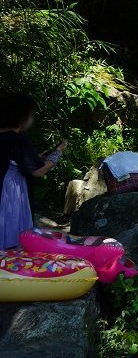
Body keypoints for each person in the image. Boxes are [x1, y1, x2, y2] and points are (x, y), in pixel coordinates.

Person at [0, 92, 65, 248]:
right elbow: (38, 171)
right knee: (12, 232)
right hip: (11, 192)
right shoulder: (18, 138)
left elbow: (14, 160)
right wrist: (57, 153)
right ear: (21, 118)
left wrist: (37, 158)